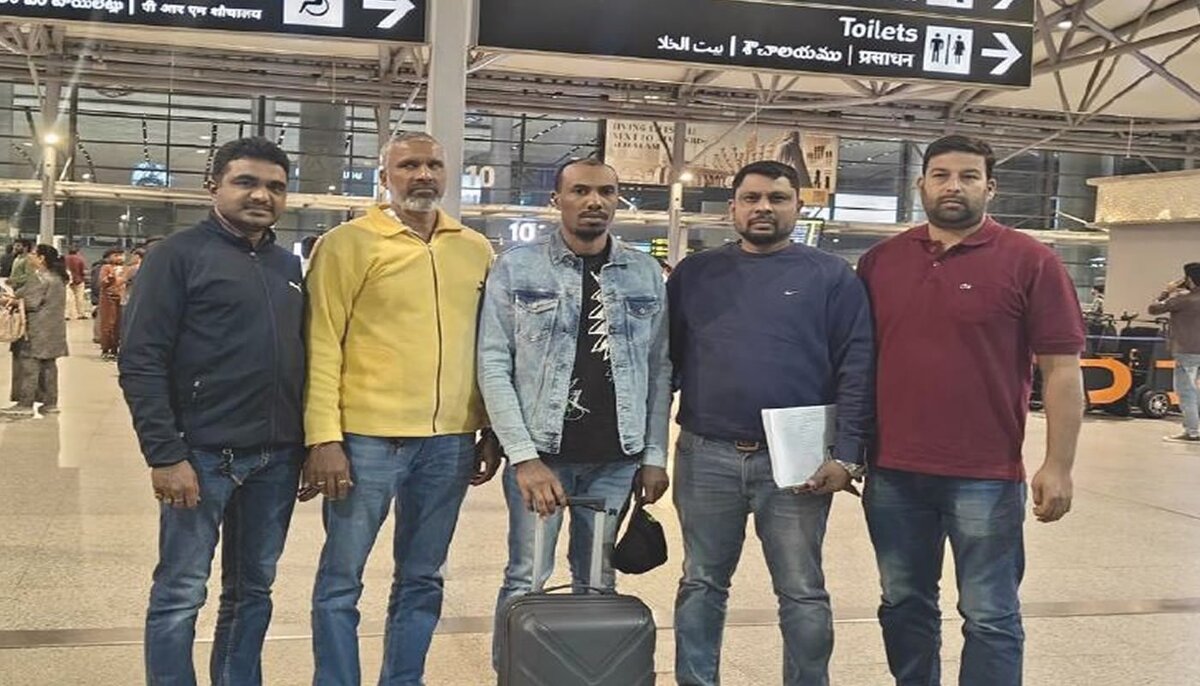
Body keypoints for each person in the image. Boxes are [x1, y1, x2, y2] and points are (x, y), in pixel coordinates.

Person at [857, 135, 1085, 686]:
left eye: (968, 176)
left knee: (990, 614)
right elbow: (854, 363)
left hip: (985, 474)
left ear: (991, 186)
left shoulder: (1032, 261)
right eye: (941, 175)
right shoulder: (880, 262)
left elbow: (1062, 370)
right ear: (921, 185)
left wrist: (1058, 465)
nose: (953, 186)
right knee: (903, 602)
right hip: (893, 471)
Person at [303, 131, 500, 686]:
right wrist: (323, 438)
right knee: (341, 580)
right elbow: (321, 342)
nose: (423, 175)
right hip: (366, 442)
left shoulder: (473, 248)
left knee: (423, 578)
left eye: (433, 164)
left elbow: (489, 345)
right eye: (409, 164)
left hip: (449, 444)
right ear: (384, 175)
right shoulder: (347, 244)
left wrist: (487, 427)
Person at [668, 160, 874, 686]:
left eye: (777, 199)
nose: (763, 207)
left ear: (799, 208)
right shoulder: (695, 274)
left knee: (801, 589)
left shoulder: (831, 277)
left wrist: (848, 454)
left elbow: (856, 367)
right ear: (732, 208)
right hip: (705, 455)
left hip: (798, 462)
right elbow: (666, 363)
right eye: (752, 198)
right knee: (701, 583)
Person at [118, 137, 306, 686]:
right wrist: (164, 454)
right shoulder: (176, 256)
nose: (261, 195)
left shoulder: (287, 265)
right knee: (180, 591)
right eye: (246, 182)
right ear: (213, 187)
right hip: (200, 457)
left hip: (276, 458)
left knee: (253, 591)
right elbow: (141, 359)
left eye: (275, 186)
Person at [477, 158, 672, 667]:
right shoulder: (517, 268)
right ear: (557, 200)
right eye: (581, 191)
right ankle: (515, 676)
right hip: (542, 456)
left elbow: (659, 369)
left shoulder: (644, 272)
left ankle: (588, 674)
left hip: (616, 459)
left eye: (606, 192)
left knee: (598, 583)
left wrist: (654, 455)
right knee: (527, 578)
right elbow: (493, 364)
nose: (594, 201)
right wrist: (524, 457)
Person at [2, 244, 68, 418]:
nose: (29, 256)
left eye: (32, 253)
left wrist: (8, 301)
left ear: (41, 258)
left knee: (28, 366)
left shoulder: (39, 278)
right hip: (53, 329)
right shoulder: (58, 278)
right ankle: (50, 404)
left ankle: (25, 405)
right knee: (49, 366)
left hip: (35, 329)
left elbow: (31, 303)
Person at [1148, 263, 1200, 443]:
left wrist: (1167, 291)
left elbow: (1153, 308)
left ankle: (1192, 432)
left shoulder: (1183, 300)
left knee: (1186, 392)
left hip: (1187, 351)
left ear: (1189, 279)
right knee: (1196, 391)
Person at [97, 248, 125, 359]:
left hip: (121, 298)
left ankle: (115, 349)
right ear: (108, 257)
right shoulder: (106, 268)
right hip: (108, 299)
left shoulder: (125, 268)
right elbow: (102, 283)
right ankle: (105, 348)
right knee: (108, 324)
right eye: (116, 255)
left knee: (118, 325)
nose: (119, 258)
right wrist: (110, 277)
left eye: (121, 255)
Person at [64, 245, 90, 321]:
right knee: (80, 298)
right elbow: (83, 271)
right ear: (78, 251)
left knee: (68, 299)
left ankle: (67, 314)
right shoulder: (80, 259)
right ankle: (81, 314)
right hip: (79, 280)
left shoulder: (64, 259)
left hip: (67, 280)